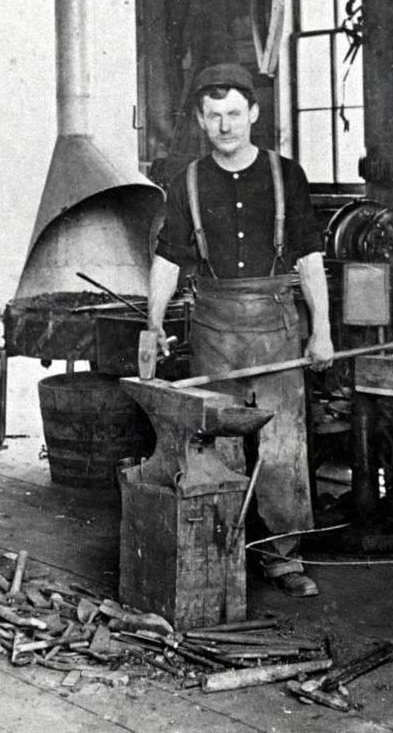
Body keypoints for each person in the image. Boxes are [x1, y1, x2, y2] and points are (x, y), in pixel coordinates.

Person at [146, 62, 335, 598]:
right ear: (202, 122)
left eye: (235, 113)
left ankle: (283, 557)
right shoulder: (187, 182)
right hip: (214, 328)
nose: (225, 125)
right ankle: (220, 548)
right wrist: (152, 322)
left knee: (281, 443)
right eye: (214, 116)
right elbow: (168, 259)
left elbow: (309, 259)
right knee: (216, 445)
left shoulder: (286, 175)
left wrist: (320, 331)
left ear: (252, 113)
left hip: (276, 324)